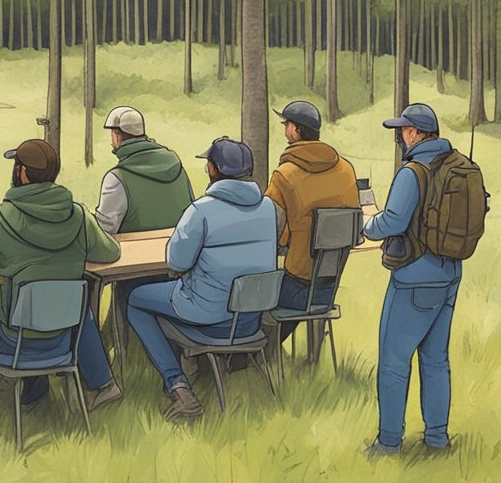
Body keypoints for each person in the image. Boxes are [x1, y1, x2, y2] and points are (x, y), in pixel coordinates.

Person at [0, 140, 123, 419]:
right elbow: (110, 251)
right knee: (70, 301)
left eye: (17, 165)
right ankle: (70, 386)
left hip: (13, 339)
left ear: (23, 173)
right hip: (63, 339)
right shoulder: (78, 215)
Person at [125, 137, 277, 421]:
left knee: (135, 299)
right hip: (249, 320)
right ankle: (190, 368)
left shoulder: (201, 210)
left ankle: (178, 385)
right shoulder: (268, 207)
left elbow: (176, 261)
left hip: (210, 320)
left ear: (213, 169)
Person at [364, 103, 463, 455]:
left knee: (394, 359)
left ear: (417, 133)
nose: (401, 136)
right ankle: (437, 437)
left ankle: (389, 442)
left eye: (404, 130)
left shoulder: (413, 172)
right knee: (436, 358)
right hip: (450, 271)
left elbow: (392, 222)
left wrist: (366, 224)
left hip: (415, 277)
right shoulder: (455, 165)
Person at [264, 101, 359, 343]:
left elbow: (269, 231)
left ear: (295, 130)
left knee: (246, 293)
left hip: (296, 288)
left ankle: (252, 359)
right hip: (329, 287)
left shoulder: (284, 174)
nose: (285, 130)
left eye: (286, 125)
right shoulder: (346, 169)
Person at [94, 106, 194, 235]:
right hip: (179, 250)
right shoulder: (176, 165)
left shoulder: (116, 178)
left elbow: (104, 229)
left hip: (135, 252)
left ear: (117, 135)